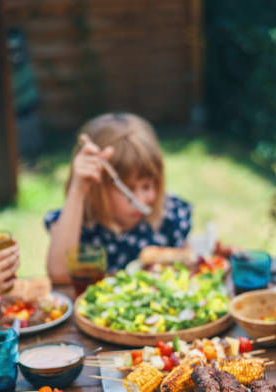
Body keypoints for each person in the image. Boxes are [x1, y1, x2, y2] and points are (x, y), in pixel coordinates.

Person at [45, 113, 192, 283]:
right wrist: (78, 190)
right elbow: (59, 276)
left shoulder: (171, 215)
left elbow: (189, 268)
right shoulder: (79, 223)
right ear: (96, 188)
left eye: (148, 186)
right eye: (128, 189)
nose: (142, 200)